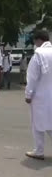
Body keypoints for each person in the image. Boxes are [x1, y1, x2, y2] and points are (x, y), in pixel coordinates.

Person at [25, 30, 52, 160]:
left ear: (38, 40)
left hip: (40, 95)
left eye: (35, 41)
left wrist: (28, 94)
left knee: (37, 123)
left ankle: (39, 151)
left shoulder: (39, 54)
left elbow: (32, 77)